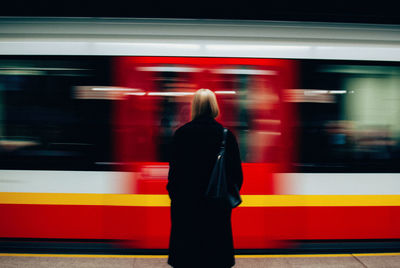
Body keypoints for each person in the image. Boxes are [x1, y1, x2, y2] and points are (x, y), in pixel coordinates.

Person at [167, 88, 243, 268]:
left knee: (188, 257)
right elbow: (237, 176)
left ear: (195, 107)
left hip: (186, 207)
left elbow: (174, 174)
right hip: (216, 207)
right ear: (214, 107)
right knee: (214, 257)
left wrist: (177, 197)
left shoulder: (181, 134)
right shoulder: (226, 135)